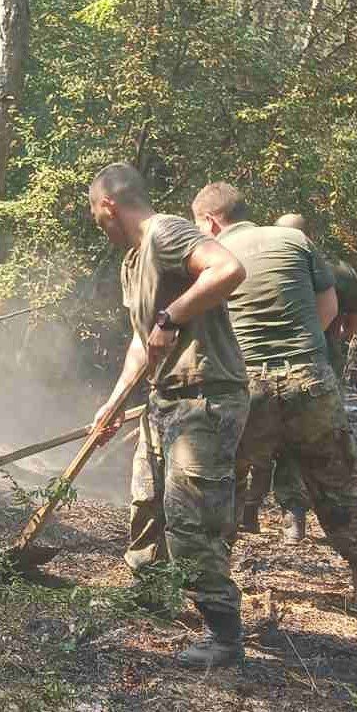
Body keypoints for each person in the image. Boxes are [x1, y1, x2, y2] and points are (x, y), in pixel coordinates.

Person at [190, 182, 357, 613]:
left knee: (224, 480)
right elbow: (328, 312)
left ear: (211, 221)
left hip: (247, 388)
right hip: (310, 380)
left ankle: (214, 590)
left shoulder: (212, 257)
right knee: (335, 481)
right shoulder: (294, 239)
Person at [88, 164, 251, 669]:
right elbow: (143, 342)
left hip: (204, 397)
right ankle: (150, 593)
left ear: (109, 206)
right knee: (147, 503)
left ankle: (224, 634)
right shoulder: (132, 262)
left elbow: (228, 270)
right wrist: (115, 401)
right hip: (163, 400)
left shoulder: (165, 231)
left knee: (189, 519)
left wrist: (170, 316)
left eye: (96, 214)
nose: (97, 224)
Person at [240, 213, 357, 543]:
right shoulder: (334, 269)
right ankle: (293, 520)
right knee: (299, 444)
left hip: (252, 368)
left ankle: (247, 512)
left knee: (248, 443)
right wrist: (334, 334)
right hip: (312, 369)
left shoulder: (248, 261)